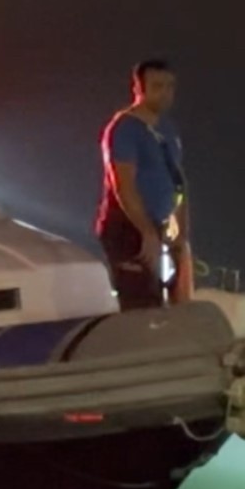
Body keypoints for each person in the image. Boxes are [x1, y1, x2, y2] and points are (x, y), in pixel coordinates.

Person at [96, 60, 191, 308]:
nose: (165, 93)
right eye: (157, 86)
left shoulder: (168, 129)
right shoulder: (125, 129)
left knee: (170, 301)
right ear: (139, 88)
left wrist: (181, 233)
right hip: (128, 229)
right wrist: (146, 232)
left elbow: (178, 182)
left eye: (170, 86)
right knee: (140, 303)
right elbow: (123, 186)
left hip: (161, 228)